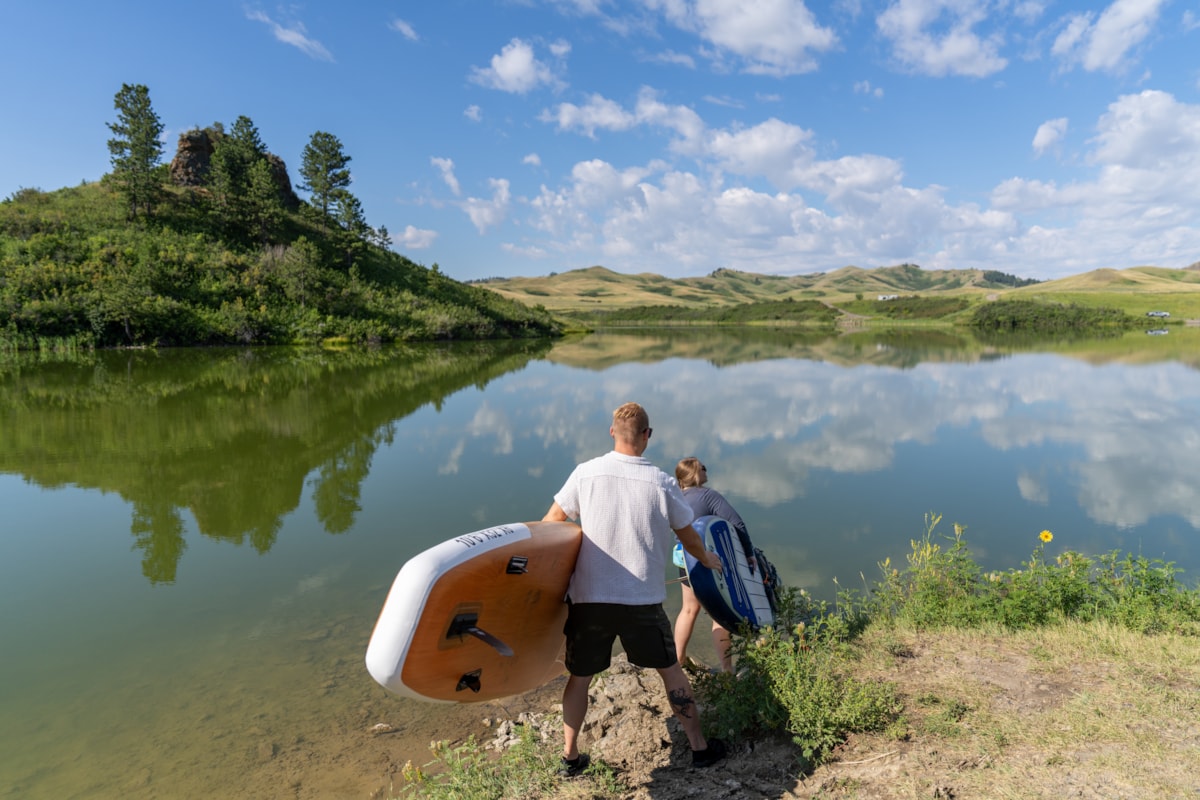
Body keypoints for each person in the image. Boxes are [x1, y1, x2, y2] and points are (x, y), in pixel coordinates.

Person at [542, 402, 729, 777]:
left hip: (589, 601)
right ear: (647, 436)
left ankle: (570, 758)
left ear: (612, 432)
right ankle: (700, 750)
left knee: (580, 677)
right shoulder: (660, 482)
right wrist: (706, 559)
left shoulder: (586, 473)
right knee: (671, 672)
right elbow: (687, 534)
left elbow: (551, 524)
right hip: (641, 601)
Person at [672, 457, 756, 673]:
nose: (706, 470)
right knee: (719, 615)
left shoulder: (676, 498)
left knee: (689, 609)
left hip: (685, 560)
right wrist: (748, 554)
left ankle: (678, 660)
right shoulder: (709, 496)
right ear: (695, 474)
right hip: (710, 561)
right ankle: (727, 670)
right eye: (703, 468)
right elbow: (737, 524)